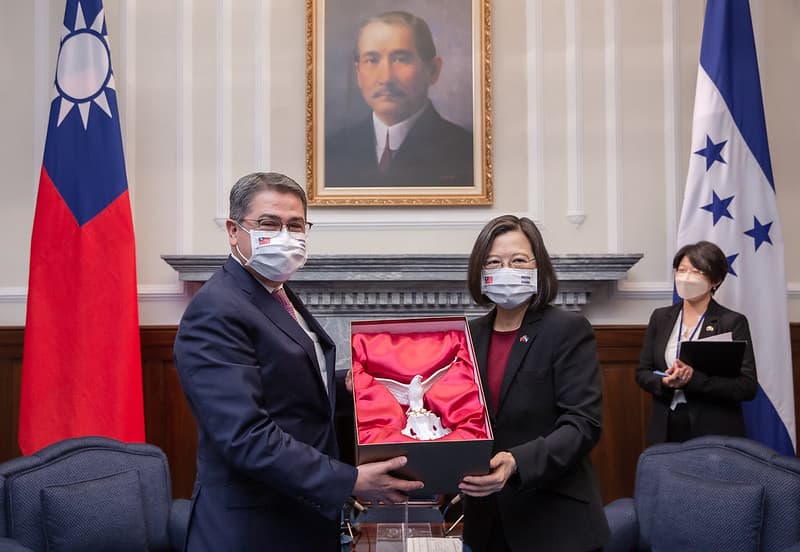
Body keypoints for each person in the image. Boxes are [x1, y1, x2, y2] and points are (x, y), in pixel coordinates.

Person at [173, 172, 423, 551]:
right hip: (252, 528)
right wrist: (348, 481)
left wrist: (355, 384)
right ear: (232, 230)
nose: (286, 236)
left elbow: (287, 385)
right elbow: (245, 436)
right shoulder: (217, 309)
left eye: (296, 225)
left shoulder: (275, 293)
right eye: (269, 224)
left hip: (298, 517)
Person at [458, 215, 610, 552]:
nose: (506, 269)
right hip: (487, 524)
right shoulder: (469, 335)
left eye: (518, 260)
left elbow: (583, 424)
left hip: (555, 525)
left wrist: (517, 461)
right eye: (494, 262)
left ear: (537, 267)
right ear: (480, 272)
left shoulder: (567, 330)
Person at [325, 10, 474, 188]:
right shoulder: (332, 150)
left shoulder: (465, 151)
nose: (386, 78)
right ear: (358, 74)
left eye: (401, 59)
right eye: (371, 60)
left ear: (433, 70)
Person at [636, 240, 758, 444]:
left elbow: (747, 387)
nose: (686, 278)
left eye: (696, 272)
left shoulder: (731, 322)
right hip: (666, 426)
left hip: (714, 428)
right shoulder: (660, 317)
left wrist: (694, 380)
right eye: (681, 270)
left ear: (715, 280)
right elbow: (642, 372)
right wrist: (664, 382)